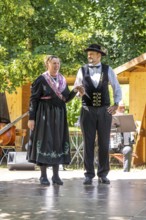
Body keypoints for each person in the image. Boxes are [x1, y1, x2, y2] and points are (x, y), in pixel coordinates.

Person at [27, 55, 83, 186]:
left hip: (59, 114)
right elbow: (33, 99)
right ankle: (43, 176)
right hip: (44, 114)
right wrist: (31, 118)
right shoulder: (41, 79)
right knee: (45, 141)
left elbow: (66, 98)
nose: (56, 66)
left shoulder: (62, 79)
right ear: (47, 64)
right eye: (54, 63)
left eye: (58, 63)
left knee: (58, 141)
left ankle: (56, 176)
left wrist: (75, 90)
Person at [74, 44, 122, 185]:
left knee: (104, 142)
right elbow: (76, 91)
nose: (89, 56)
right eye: (88, 53)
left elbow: (116, 87)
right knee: (88, 143)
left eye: (92, 54)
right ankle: (88, 174)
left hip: (104, 111)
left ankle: (103, 174)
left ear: (99, 55)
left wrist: (116, 104)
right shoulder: (82, 70)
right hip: (87, 110)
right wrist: (79, 93)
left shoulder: (108, 70)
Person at [112, 102, 135, 172]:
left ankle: (126, 173)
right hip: (111, 146)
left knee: (127, 149)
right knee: (102, 148)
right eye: (120, 108)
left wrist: (132, 133)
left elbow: (132, 134)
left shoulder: (127, 120)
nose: (123, 110)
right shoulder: (111, 119)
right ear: (116, 109)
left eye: (124, 108)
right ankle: (103, 173)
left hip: (123, 146)